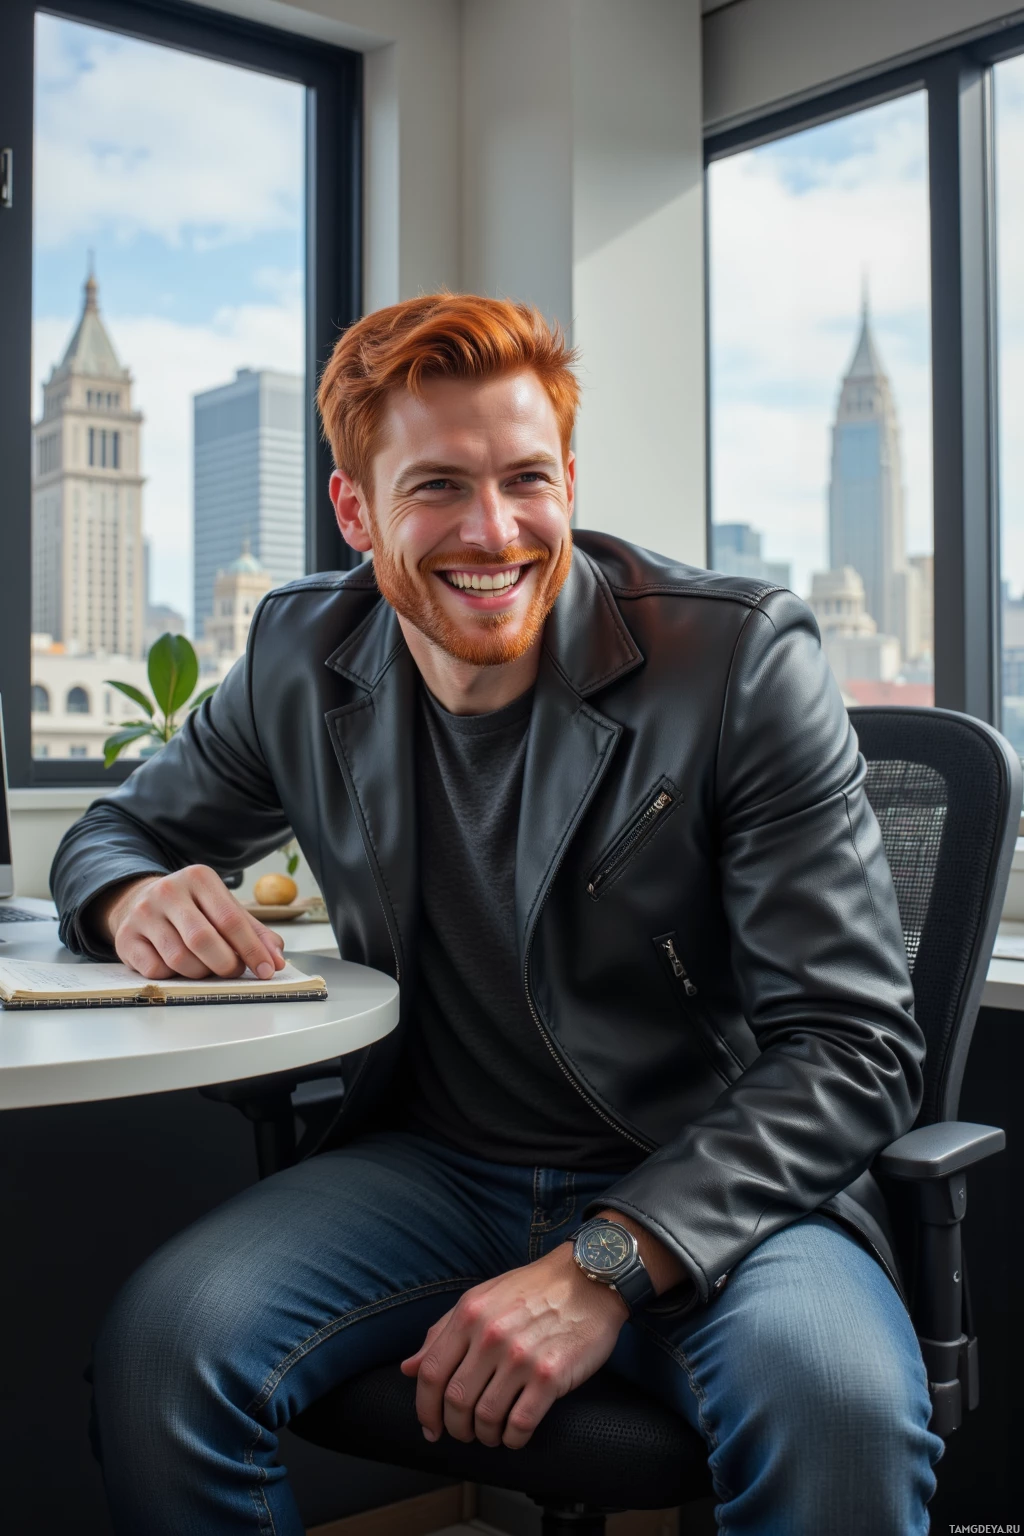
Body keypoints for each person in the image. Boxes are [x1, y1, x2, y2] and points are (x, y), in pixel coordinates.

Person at [52, 293, 944, 1535]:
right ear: (355, 510)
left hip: (710, 1176)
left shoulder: (735, 661)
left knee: (837, 1410)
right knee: (166, 1353)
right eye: (437, 488)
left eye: (527, 479)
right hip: (429, 1168)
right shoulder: (301, 652)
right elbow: (111, 832)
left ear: (568, 481)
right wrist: (129, 892)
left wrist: (606, 1262)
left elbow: (854, 1046)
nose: (493, 530)